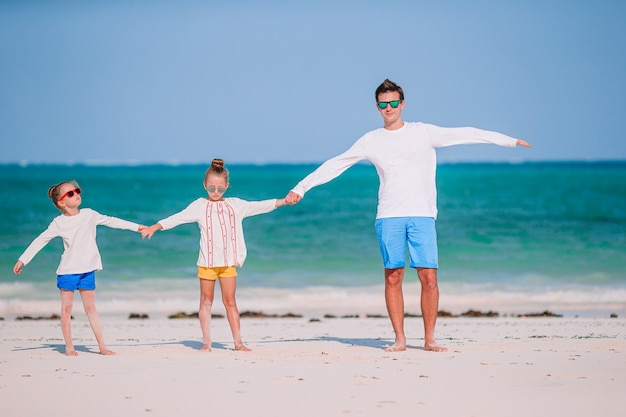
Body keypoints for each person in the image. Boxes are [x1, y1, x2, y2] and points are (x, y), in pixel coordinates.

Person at [285, 79, 531, 352]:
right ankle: (400, 339)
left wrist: (508, 141)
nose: (388, 108)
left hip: (422, 214)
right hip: (389, 215)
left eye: (393, 103)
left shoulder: (423, 132)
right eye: (383, 104)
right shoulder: (371, 140)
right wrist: (301, 188)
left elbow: (466, 133)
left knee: (429, 278)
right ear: (377, 107)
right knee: (393, 276)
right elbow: (335, 165)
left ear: (402, 104)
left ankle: (429, 340)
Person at [142, 159, 289, 352]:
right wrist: (156, 226)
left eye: (220, 188)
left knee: (230, 302)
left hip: (228, 263)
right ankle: (207, 342)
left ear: (227, 186)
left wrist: (284, 201)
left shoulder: (236, 205)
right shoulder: (199, 206)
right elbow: (177, 218)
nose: (216, 192)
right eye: (212, 188)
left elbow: (260, 206)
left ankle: (238, 343)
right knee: (206, 301)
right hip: (207, 263)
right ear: (205, 185)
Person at [13, 180, 145, 356]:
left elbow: (112, 221)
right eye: (70, 193)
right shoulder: (58, 223)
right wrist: (23, 259)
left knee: (91, 308)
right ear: (61, 202)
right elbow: (40, 240)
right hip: (68, 271)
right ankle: (69, 347)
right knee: (66, 310)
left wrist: (137, 227)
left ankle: (102, 346)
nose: (76, 194)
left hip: (87, 270)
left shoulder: (89, 214)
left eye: (77, 191)